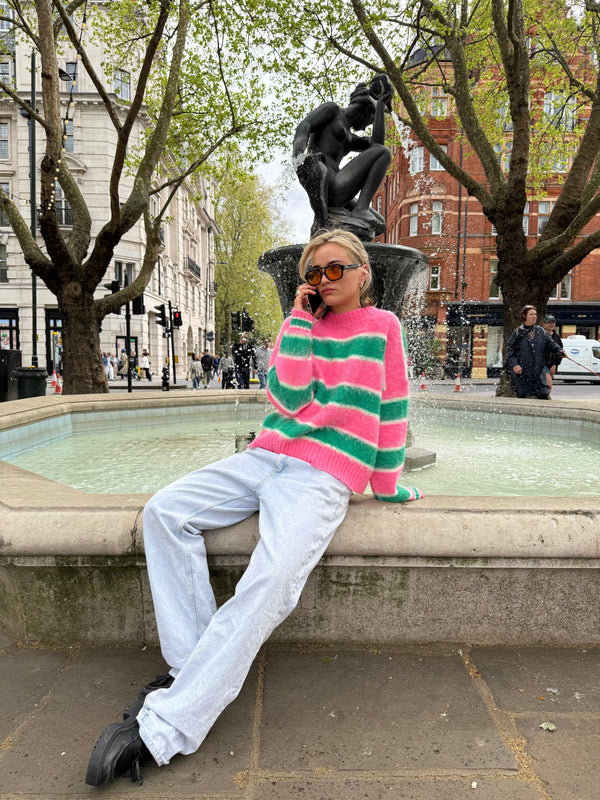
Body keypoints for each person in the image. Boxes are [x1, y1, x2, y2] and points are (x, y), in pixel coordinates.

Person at [84, 228, 423, 787]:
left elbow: (393, 410)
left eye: (335, 270)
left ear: (364, 274)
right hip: (265, 454)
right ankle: (191, 672)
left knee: (274, 579)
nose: (322, 281)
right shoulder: (304, 324)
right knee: (165, 512)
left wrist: (387, 486)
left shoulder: (383, 327)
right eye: (313, 273)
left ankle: (165, 726)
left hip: (323, 474)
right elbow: (286, 398)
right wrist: (297, 321)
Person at [293, 74, 392, 238]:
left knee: (379, 224)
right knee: (384, 153)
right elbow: (305, 124)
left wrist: (380, 106)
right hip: (327, 182)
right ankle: (360, 209)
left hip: (338, 188)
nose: (367, 125)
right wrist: (298, 155)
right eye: (371, 120)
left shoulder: (350, 138)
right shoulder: (333, 110)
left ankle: (359, 211)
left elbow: (377, 144)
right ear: (366, 110)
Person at [506, 305, 565, 399]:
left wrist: (560, 350)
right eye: (531, 314)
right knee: (525, 400)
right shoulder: (517, 333)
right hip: (523, 376)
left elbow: (551, 344)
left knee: (544, 395)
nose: (534, 316)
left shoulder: (541, 331)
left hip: (539, 375)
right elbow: (510, 352)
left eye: (535, 314)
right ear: (524, 316)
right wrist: (514, 365)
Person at [542, 314, 563, 394]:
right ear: (544, 324)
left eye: (553, 322)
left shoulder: (556, 337)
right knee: (549, 385)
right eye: (549, 322)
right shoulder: (541, 335)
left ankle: (545, 397)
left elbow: (560, 352)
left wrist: (555, 364)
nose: (551, 324)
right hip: (542, 364)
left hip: (552, 365)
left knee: (548, 384)